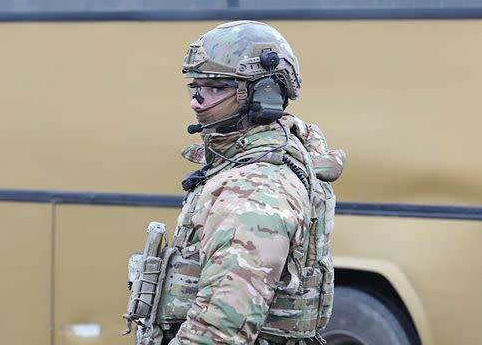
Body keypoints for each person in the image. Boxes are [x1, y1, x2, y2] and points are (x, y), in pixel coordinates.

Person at [123, 21, 344, 345]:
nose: (196, 102)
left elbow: (220, 328)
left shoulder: (256, 187)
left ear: (262, 93)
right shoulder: (247, 164)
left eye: (215, 88)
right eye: (195, 88)